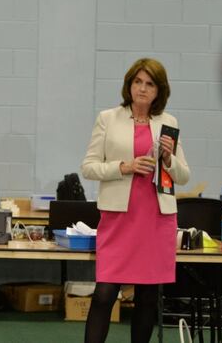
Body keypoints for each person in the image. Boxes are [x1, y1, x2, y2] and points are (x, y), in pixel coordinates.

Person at [80, 58, 190, 343]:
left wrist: (168, 158)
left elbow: (183, 175)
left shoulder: (169, 123)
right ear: (129, 85)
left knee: (147, 296)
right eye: (137, 82)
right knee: (105, 294)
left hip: (156, 217)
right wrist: (123, 167)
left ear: (159, 90)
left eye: (150, 84)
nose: (142, 89)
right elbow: (89, 167)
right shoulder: (108, 118)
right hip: (119, 218)